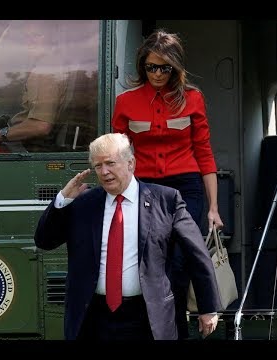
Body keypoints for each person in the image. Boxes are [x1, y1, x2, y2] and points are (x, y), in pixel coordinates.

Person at [34, 133, 221, 340]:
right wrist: (62, 200)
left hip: (148, 318)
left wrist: (208, 307)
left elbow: (197, 254)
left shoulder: (166, 200)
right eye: (98, 166)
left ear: (131, 163)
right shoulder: (84, 203)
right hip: (94, 318)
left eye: (110, 163)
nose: (104, 172)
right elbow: (44, 240)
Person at [111, 28, 224, 339]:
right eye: (151, 67)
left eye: (164, 68)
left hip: (186, 188)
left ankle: (179, 329)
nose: (158, 74)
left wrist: (213, 207)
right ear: (142, 66)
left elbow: (204, 152)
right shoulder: (126, 102)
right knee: (151, 262)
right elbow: (118, 156)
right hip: (144, 187)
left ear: (175, 67)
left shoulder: (193, 99)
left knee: (182, 260)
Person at [0, 21, 70, 153]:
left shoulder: (45, 72)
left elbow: (41, 125)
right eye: (27, 36)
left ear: (53, 38)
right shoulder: (55, 65)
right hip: (24, 145)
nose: (29, 41)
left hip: (24, 148)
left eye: (37, 35)